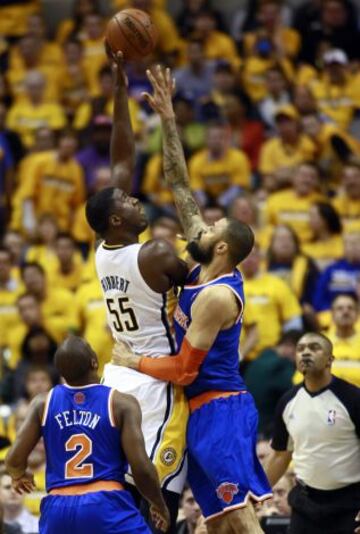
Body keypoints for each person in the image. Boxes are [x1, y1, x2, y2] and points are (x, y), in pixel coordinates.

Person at [113, 65, 272, 533]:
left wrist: (134, 360)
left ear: (221, 247)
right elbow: (179, 182)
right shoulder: (204, 263)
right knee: (216, 521)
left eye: (209, 229)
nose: (198, 229)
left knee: (238, 516)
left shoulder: (216, 298)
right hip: (197, 409)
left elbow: (185, 369)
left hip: (220, 405)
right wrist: (167, 119)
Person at [85, 49, 189, 532]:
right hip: (154, 382)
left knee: (120, 493)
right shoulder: (156, 254)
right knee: (160, 500)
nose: (135, 198)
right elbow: (203, 280)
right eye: (128, 200)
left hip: (116, 376)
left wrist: (119, 90)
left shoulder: (104, 250)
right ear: (117, 220)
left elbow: (121, 157)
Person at [5, 336, 169, 534]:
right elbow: (141, 468)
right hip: (105, 504)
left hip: (57, 509)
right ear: (94, 362)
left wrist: (19, 475)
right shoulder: (121, 403)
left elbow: (13, 459)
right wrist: (158, 503)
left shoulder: (43, 403)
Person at [266, 332, 360, 534]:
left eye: (314, 348)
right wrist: (257, 493)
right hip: (305, 504)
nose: (306, 352)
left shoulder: (353, 398)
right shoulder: (287, 401)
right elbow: (280, 455)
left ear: (330, 360)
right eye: (300, 349)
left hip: (349, 505)